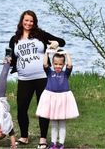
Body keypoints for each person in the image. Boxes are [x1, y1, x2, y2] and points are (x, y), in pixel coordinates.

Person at [9, 10, 66, 149]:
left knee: (43, 109)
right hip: (24, 79)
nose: (28, 23)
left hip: (42, 77)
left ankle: (43, 139)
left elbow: (62, 42)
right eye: (26, 20)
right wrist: (9, 61)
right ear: (22, 21)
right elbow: (13, 59)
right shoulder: (14, 39)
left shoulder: (40, 35)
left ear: (34, 23)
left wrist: (55, 44)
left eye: (31, 21)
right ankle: (24, 136)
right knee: (22, 108)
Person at [36, 49, 79, 149]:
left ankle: (61, 143)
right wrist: (46, 53)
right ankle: (53, 143)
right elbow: (45, 64)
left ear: (63, 65)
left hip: (63, 100)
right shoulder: (50, 72)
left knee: (62, 123)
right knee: (54, 123)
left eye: (60, 64)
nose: (58, 66)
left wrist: (67, 53)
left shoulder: (65, 74)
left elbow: (70, 65)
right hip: (53, 100)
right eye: (55, 64)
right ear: (53, 64)